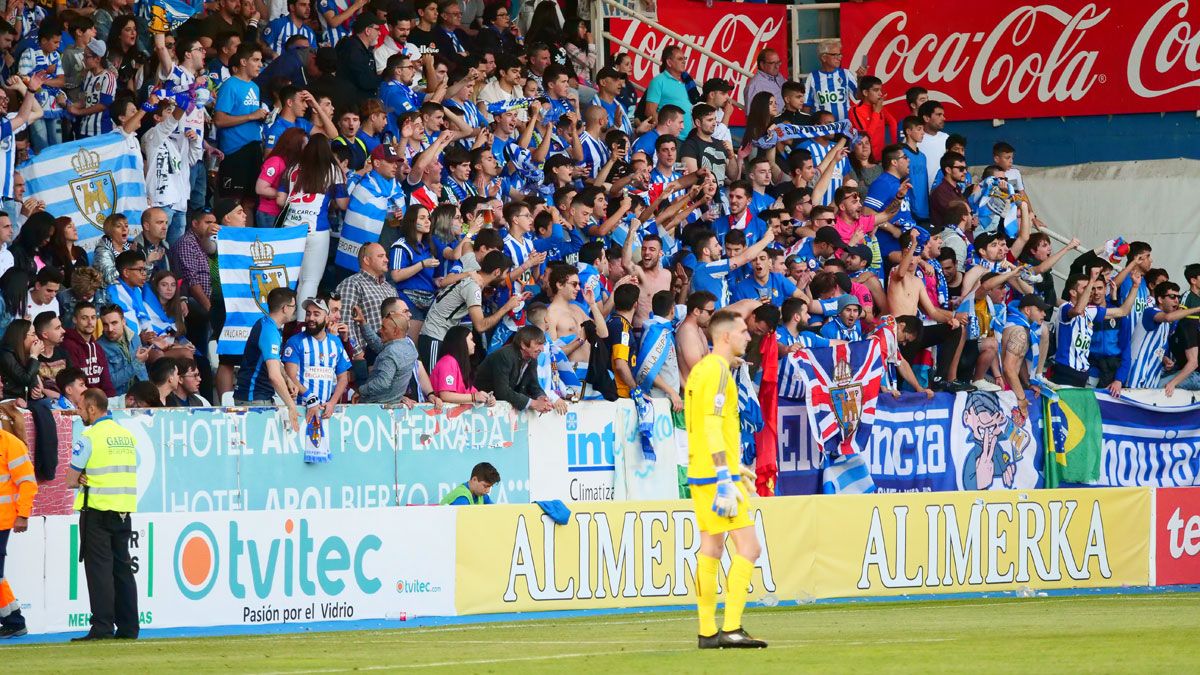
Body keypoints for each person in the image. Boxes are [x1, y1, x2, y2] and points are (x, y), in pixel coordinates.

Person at [684, 309, 766, 649]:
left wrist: (735, 467)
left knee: (711, 547)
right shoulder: (718, 371)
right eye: (744, 332)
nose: (749, 337)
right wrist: (724, 476)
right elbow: (711, 425)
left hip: (702, 471)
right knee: (749, 548)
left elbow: (702, 427)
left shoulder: (700, 370)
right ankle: (731, 627)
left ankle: (707, 631)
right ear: (726, 336)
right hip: (716, 476)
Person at [66, 389, 139, 641]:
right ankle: (129, 628)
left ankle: (102, 627)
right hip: (123, 509)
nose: (78, 412)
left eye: (80, 408)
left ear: (92, 408)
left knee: (99, 571)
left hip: (96, 509)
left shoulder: (88, 437)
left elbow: (70, 480)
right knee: (123, 569)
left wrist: (83, 476)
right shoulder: (126, 436)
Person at [232, 287, 301, 432]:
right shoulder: (269, 332)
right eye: (294, 306)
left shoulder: (267, 325)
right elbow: (274, 376)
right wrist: (291, 406)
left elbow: (273, 361)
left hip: (255, 397)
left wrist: (287, 379)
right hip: (254, 398)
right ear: (285, 308)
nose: (295, 310)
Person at [282, 298, 351, 421]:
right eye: (308, 313)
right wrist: (310, 398)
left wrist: (332, 403)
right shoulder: (295, 341)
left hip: (326, 411)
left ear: (327, 317)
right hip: (300, 410)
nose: (311, 318)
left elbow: (343, 378)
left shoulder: (335, 342)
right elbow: (290, 376)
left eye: (316, 314)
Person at [475, 324, 564, 413]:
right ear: (523, 345)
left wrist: (542, 398)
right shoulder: (505, 356)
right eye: (538, 344)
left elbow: (533, 385)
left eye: (542, 344)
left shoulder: (532, 358)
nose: (542, 349)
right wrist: (533, 403)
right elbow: (502, 391)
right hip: (480, 406)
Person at [0, 424, 36, 639]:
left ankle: (14, 621)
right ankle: (14, 620)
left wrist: (23, 514)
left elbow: (27, 482)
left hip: (3, 520)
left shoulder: (11, 444)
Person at [430, 324, 493, 405]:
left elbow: (474, 394)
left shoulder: (459, 364)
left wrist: (487, 398)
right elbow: (445, 395)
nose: (474, 344)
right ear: (461, 341)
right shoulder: (448, 362)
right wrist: (474, 397)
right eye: (471, 340)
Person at [62, 301, 116, 396]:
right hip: (82, 401)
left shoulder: (97, 347)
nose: (90, 322)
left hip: (100, 401)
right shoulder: (69, 345)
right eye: (84, 318)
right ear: (75, 319)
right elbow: (76, 384)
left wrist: (111, 402)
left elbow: (106, 382)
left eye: (93, 317)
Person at [97, 304, 149, 397]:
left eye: (114, 323)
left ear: (123, 321)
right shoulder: (98, 347)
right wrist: (137, 363)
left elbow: (142, 372)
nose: (110, 329)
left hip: (142, 396)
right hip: (119, 400)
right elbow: (110, 383)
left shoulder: (135, 337)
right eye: (105, 324)